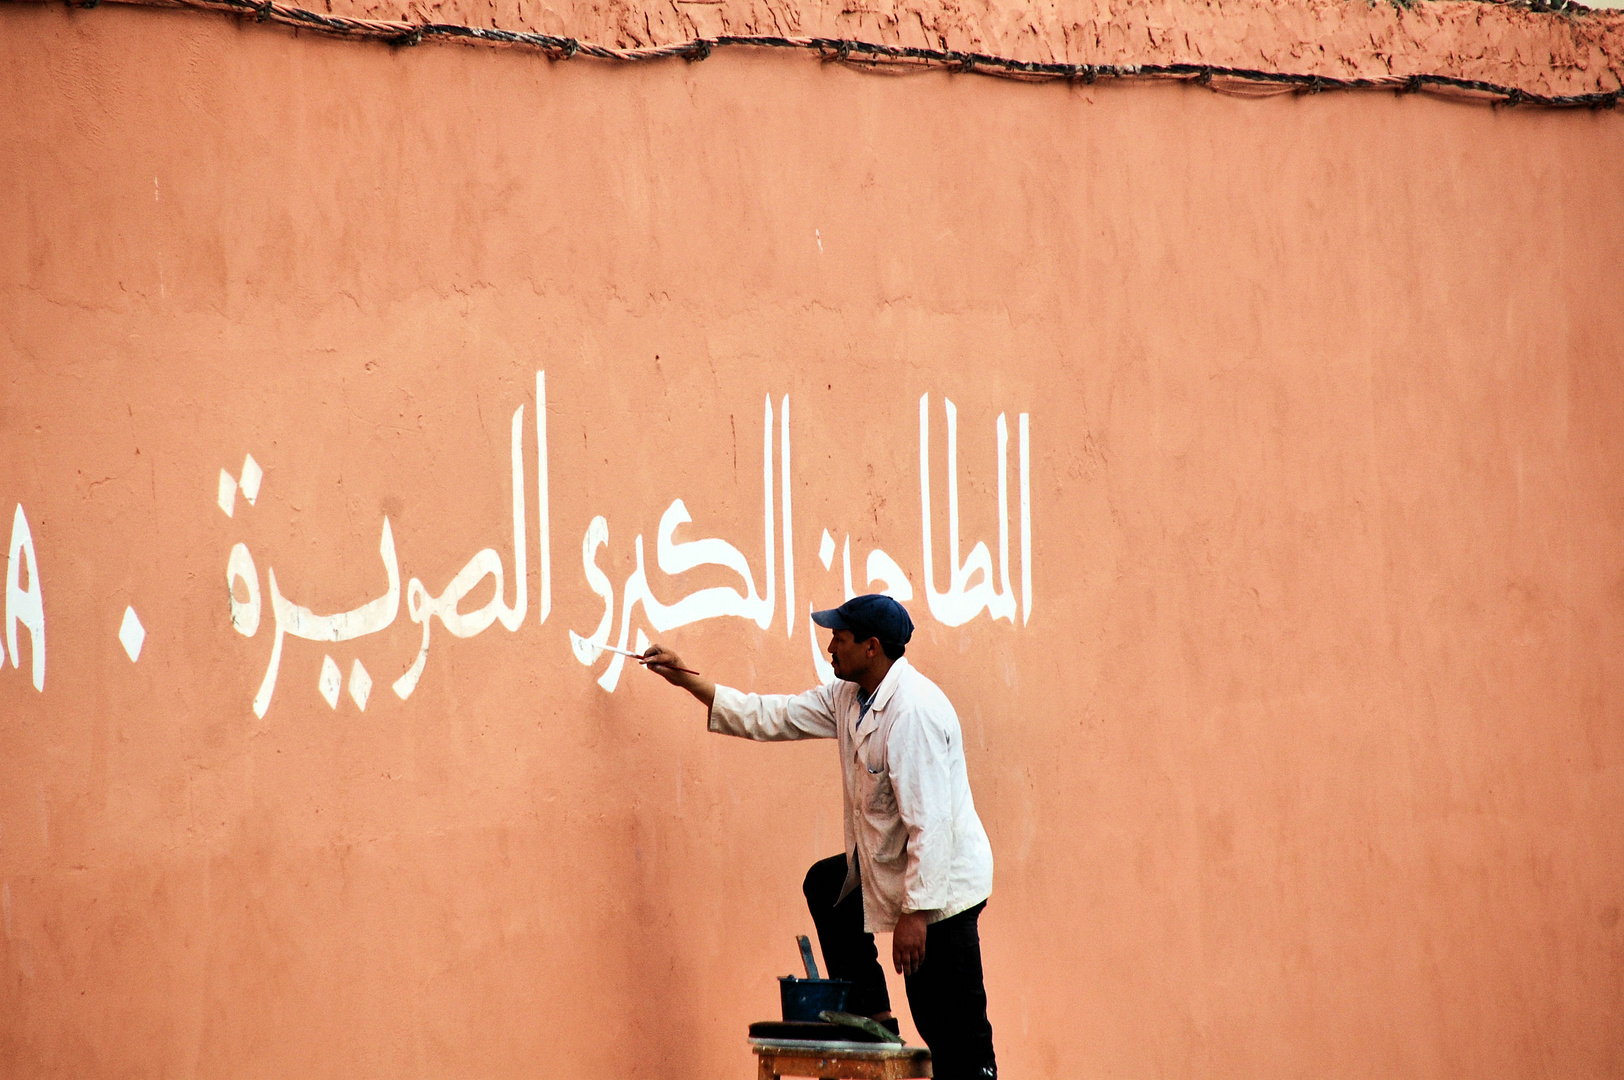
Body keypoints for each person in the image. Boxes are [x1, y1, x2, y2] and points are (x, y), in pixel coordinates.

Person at [640, 594, 997, 1080]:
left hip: (943, 893)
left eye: (840, 638)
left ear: (872, 648)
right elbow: (770, 715)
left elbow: (929, 825)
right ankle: (874, 1016)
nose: (830, 646)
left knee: (953, 1034)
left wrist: (916, 915)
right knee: (829, 884)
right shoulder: (849, 696)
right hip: (900, 867)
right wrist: (685, 678)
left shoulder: (913, 713)